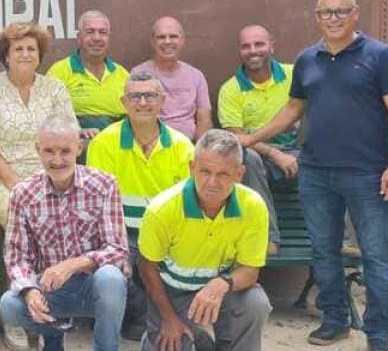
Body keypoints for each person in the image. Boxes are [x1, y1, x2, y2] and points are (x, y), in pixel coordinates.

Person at [241, 0, 388, 351]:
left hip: (368, 174)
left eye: (340, 11)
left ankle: (379, 334)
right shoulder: (307, 59)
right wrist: (251, 140)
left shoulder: (380, 56)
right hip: (316, 173)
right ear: (316, 16)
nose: (332, 19)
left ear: (355, 14)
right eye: (325, 12)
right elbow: (292, 110)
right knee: (324, 251)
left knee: (376, 256)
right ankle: (335, 320)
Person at [0, 22, 77, 348]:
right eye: (18, 48)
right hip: (5, 176)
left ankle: (50, 308)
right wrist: (13, 181)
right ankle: (15, 314)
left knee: (57, 213)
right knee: (21, 216)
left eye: (31, 48)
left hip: (52, 172)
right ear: (6, 55)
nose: (25, 53)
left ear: (40, 55)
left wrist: (51, 174)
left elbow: (69, 134)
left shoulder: (54, 88)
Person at [0, 114, 129, 351]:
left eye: (65, 151)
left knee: (111, 277)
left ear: (79, 147)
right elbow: (17, 257)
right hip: (52, 289)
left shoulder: (104, 185)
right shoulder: (23, 194)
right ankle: (54, 335)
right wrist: (30, 290)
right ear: (37, 149)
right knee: (9, 305)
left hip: (95, 286)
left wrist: (72, 265)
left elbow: (118, 251)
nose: (57, 160)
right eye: (49, 151)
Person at [137, 130, 272, 351]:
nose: (212, 182)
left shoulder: (254, 206)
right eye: (205, 171)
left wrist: (222, 284)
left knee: (255, 304)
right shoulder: (162, 209)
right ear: (191, 168)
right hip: (172, 291)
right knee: (170, 343)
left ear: (239, 174)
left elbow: (250, 270)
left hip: (221, 287)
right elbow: (146, 267)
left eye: (223, 175)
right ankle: (180, 339)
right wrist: (169, 319)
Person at [86, 71, 195, 341]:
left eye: (150, 96)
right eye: (135, 96)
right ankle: (136, 316)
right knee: (118, 266)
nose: (143, 102)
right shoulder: (104, 143)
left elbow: (186, 206)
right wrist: (117, 244)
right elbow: (97, 207)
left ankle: (148, 319)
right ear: (124, 102)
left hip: (164, 235)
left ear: (162, 101)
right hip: (119, 232)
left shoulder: (182, 147)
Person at [216, 25, 291, 253]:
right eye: (246, 46)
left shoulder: (294, 74)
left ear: (271, 45)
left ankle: (341, 240)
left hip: (299, 152)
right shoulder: (231, 89)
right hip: (259, 156)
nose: (253, 50)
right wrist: (273, 153)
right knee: (247, 158)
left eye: (259, 44)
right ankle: (268, 236)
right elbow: (238, 138)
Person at [45, 10, 129, 138]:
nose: (97, 38)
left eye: (103, 32)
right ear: (79, 37)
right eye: (90, 32)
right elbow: (45, 117)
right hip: (77, 144)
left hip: (116, 144)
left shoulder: (122, 74)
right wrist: (77, 131)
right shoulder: (60, 71)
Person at [131, 16, 212, 141]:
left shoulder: (196, 76)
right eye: (161, 37)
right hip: (152, 144)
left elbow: (204, 121)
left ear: (182, 40)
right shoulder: (138, 74)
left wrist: (198, 151)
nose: (167, 41)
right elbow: (135, 117)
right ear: (153, 41)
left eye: (173, 36)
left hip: (188, 147)